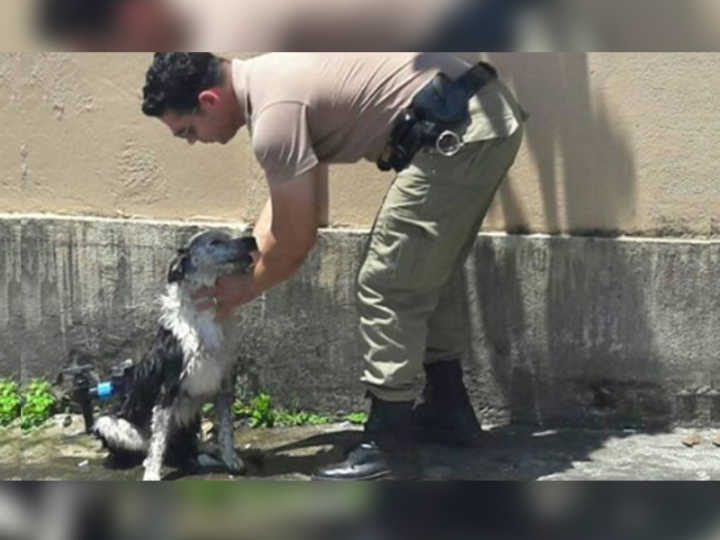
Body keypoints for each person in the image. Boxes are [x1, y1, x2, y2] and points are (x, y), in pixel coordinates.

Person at [141, 52, 526, 480]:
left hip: (458, 131)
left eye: (188, 130)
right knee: (422, 269)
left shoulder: (274, 117)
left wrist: (243, 289)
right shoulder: (271, 79)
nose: (194, 141)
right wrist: (245, 262)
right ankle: (447, 411)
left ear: (209, 100)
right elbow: (294, 211)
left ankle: (389, 445)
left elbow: (298, 238)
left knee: (387, 282)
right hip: (479, 115)